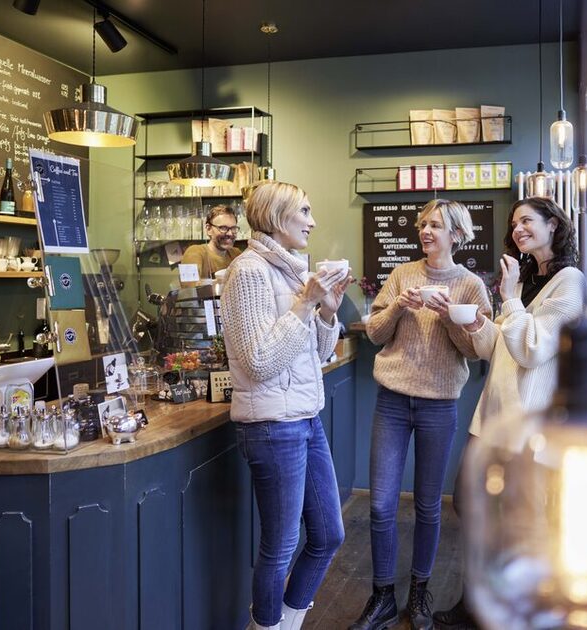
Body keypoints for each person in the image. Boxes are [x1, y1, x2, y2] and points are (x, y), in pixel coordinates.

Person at [433, 196, 587, 629]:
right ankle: (485, 600)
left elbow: (534, 348)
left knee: (516, 518)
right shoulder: (528, 281)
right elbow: (498, 348)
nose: (518, 229)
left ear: (554, 226)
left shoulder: (569, 282)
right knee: (470, 503)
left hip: (528, 423)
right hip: (494, 415)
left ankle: (504, 607)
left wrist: (511, 299)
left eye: (527, 221)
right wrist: (470, 322)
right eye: (514, 223)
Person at [351, 199, 491, 630]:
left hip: (439, 404)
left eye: (436, 226)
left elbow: (477, 350)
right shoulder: (401, 275)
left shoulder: (470, 285)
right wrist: (399, 306)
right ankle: (382, 597)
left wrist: (450, 318)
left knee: (430, 506)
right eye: (423, 225)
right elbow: (375, 334)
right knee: (381, 506)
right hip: (392, 401)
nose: (426, 231)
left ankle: (419, 592)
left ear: (457, 235)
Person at [221, 181, 351, 630]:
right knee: (279, 547)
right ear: (277, 217)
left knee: (330, 534)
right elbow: (259, 362)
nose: (313, 222)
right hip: (271, 426)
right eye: (305, 212)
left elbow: (315, 355)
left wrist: (328, 311)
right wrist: (306, 302)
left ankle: (285, 624)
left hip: (305, 417)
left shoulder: (294, 271)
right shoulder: (248, 272)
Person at [181, 204, 243, 287]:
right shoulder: (194, 252)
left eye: (233, 228)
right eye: (223, 228)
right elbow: (188, 287)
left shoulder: (236, 253)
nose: (230, 233)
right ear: (208, 229)